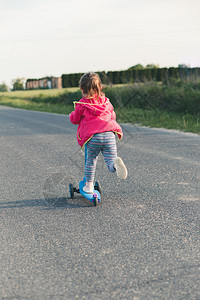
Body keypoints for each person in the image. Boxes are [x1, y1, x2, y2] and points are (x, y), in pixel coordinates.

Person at [69, 72, 128, 193]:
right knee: (110, 161)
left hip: (93, 137)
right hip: (109, 135)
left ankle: (89, 186)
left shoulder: (83, 104)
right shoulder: (106, 102)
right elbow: (113, 115)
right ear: (100, 87)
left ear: (81, 88)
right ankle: (116, 165)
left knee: (90, 161)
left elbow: (74, 119)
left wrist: (72, 115)